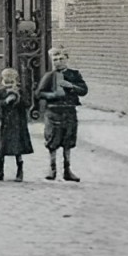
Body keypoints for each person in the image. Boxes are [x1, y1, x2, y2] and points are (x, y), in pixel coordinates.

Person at [36, 46, 88, 182]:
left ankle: (67, 170)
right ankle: (52, 168)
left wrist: (71, 86)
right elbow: (39, 93)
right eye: (55, 59)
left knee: (68, 140)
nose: (58, 62)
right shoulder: (49, 76)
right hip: (53, 112)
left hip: (69, 111)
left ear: (67, 59)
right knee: (52, 140)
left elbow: (84, 90)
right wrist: (52, 95)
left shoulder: (74, 75)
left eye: (61, 59)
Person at [0, 67, 33, 182]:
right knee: (1, 148)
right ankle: (0, 172)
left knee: (18, 149)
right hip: (4, 123)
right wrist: (5, 101)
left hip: (17, 124)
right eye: (6, 80)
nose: (8, 83)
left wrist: (18, 98)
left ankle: (19, 172)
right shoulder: (0, 92)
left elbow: (27, 104)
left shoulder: (20, 92)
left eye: (11, 80)